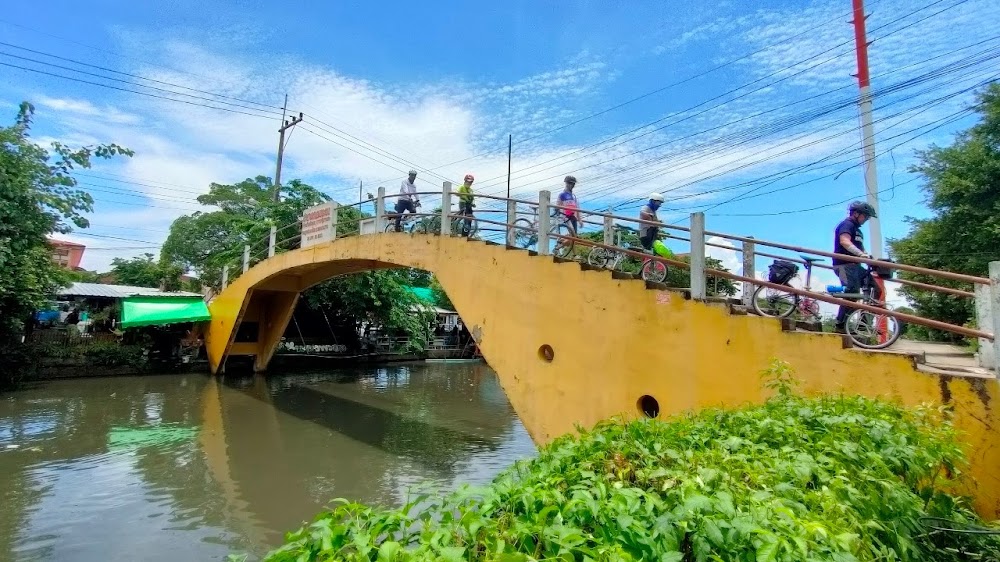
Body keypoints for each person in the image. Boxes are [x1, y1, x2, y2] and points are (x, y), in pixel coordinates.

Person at [833, 200, 877, 333]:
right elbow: (844, 241)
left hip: (856, 267)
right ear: (856, 213)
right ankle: (840, 325)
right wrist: (860, 254)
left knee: (875, 289)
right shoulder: (847, 224)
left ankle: (864, 324)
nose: (866, 219)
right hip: (843, 265)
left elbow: (862, 250)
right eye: (866, 216)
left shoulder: (859, 232)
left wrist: (868, 258)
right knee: (852, 292)